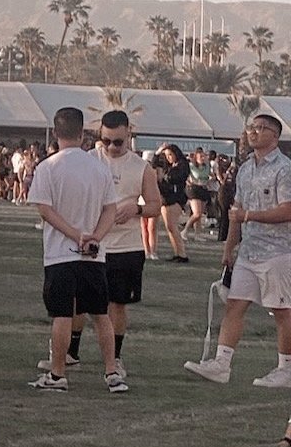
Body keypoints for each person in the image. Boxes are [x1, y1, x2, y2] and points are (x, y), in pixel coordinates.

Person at [185, 113, 291, 389]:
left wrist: (249, 216)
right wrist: (229, 249)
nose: (253, 132)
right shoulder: (245, 169)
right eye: (251, 128)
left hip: (278, 251)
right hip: (249, 251)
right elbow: (235, 214)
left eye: (261, 128)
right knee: (234, 305)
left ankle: (286, 367)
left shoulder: (284, 168)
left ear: (275, 135)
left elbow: (287, 211)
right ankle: (221, 364)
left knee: (282, 311)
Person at [27, 107, 127, 394]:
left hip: (61, 254)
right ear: (83, 134)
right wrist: (95, 236)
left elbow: (45, 210)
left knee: (62, 315)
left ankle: (58, 374)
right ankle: (112, 372)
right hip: (93, 255)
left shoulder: (48, 167)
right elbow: (111, 209)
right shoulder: (99, 167)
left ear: (56, 133)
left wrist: (76, 234)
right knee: (100, 315)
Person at [60, 110, 161, 377]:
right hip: (92, 242)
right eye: (107, 141)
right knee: (79, 299)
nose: (112, 147)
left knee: (117, 303)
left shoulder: (141, 167)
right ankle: (71, 351)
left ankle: (115, 357)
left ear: (129, 133)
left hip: (126, 246)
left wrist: (136, 209)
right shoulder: (89, 160)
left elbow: (155, 205)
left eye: (118, 141)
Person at [155, 144, 191, 262]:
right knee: (169, 227)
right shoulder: (170, 166)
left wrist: (164, 177)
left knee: (173, 226)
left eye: (170, 155)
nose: (169, 158)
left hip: (176, 198)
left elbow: (174, 178)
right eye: (167, 156)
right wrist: (158, 153)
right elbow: (154, 164)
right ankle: (177, 252)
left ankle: (182, 254)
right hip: (167, 197)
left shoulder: (182, 165)